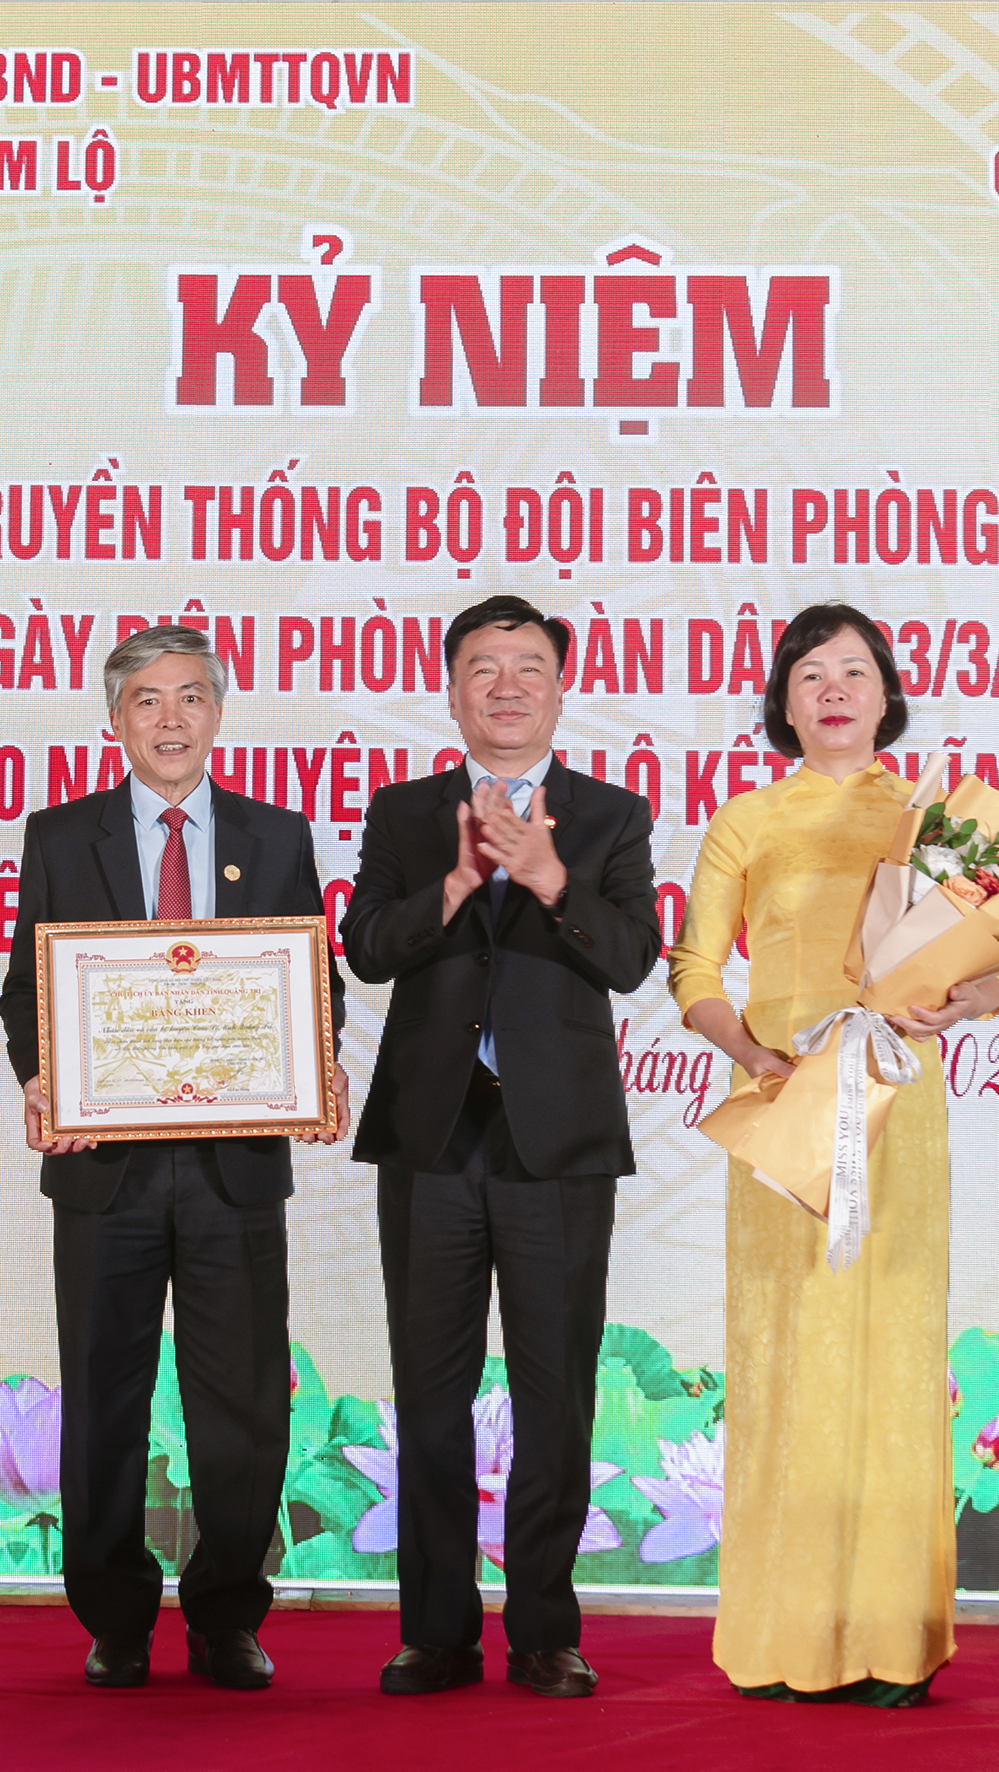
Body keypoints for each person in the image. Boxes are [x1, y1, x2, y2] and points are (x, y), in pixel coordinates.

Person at [664, 603, 999, 1704]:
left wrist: (957, 1000)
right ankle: (786, 1631)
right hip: (786, 1094)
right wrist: (753, 1052)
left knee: (892, 1348)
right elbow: (692, 974)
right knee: (786, 1349)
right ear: (783, 698)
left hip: (900, 1105)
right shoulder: (747, 818)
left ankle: (888, 1640)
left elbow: (993, 971)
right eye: (810, 673)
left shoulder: (934, 821)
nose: (833, 690)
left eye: (853, 670)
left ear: (884, 691)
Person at [0, 623, 343, 1693]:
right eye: (148, 700)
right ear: (115, 721)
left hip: (236, 1166)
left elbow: (309, 985)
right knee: (103, 1397)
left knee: (241, 1402)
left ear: (219, 711)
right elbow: (28, 992)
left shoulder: (276, 835)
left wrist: (315, 1062)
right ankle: (114, 1616)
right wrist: (41, 1078)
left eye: (191, 695)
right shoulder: (61, 835)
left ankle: (228, 1614)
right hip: (107, 1170)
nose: (171, 718)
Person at [341, 594, 658, 1700]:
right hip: (430, 1138)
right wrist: (459, 881)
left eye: (529, 665)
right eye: (484, 666)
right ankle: (433, 1630)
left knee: (553, 1391)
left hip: (555, 1144)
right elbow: (366, 948)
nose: (507, 684)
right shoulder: (405, 810)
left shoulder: (609, 815)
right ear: (452, 687)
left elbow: (630, 958)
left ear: (560, 687)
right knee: (427, 1394)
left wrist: (547, 877)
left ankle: (543, 1630)